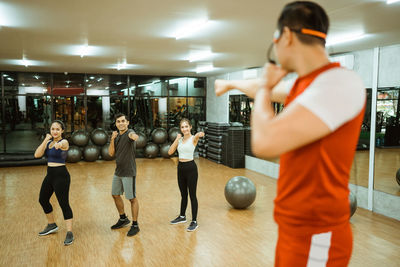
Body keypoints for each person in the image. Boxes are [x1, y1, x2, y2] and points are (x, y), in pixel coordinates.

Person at [215, 1, 366, 266]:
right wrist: (229, 83)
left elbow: (265, 142)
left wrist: (262, 91)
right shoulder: (308, 84)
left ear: (285, 35)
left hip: (318, 233)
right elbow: (265, 87)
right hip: (293, 228)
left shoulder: (338, 83)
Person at [34, 120, 74, 246]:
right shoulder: (48, 142)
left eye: (57, 129)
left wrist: (59, 144)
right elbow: (37, 155)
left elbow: (63, 144)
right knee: (43, 199)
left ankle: (69, 232)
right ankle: (52, 224)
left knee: (63, 203)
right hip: (50, 175)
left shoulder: (65, 142)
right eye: (53, 129)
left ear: (62, 131)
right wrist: (46, 140)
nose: (55, 131)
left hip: (61, 175)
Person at [168, 118, 205, 232]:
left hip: (191, 169)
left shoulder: (194, 138)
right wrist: (177, 139)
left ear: (190, 127)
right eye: (182, 127)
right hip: (181, 168)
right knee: (183, 194)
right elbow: (170, 152)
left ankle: (194, 221)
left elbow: (199, 135)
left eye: (186, 126)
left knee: (192, 195)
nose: (184, 129)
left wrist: (199, 134)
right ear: (180, 129)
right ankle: (182, 216)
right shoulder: (179, 140)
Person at [108, 113, 140, 236]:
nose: (121, 123)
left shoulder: (129, 133)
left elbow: (133, 136)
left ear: (127, 123)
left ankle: (135, 224)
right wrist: (112, 139)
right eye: (118, 121)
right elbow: (111, 153)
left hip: (128, 172)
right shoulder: (116, 136)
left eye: (123, 121)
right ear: (116, 124)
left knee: (132, 198)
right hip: (118, 171)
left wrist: (134, 136)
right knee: (115, 194)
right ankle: (123, 219)